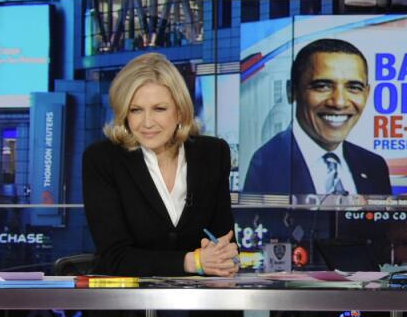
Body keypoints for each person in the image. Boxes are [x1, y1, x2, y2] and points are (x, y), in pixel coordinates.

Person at [83, 53, 239, 276]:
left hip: (201, 302)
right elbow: (113, 257)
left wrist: (225, 259)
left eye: (159, 109)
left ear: (180, 111)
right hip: (131, 304)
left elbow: (226, 239)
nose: (147, 122)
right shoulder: (102, 159)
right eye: (136, 110)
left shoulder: (213, 154)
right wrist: (192, 261)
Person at [243, 38, 391, 197]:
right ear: (291, 91)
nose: (339, 102)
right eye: (322, 86)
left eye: (353, 88)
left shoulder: (375, 166)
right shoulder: (265, 164)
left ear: (367, 94)